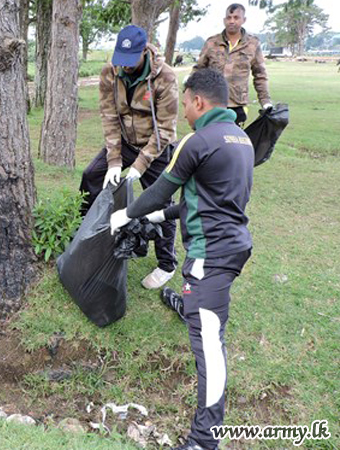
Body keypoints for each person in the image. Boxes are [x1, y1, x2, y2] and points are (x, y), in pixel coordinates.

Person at [110, 68, 254, 450]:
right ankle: (191, 306)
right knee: (203, 315)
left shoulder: (197, 140)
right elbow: (208, 201)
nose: (185, 112)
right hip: (234, 244)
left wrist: (128, 214)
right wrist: (160, 217)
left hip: (211, 255)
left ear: (199, 101)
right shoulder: (240, 139)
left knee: (209, 344)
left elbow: (159, 190)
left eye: (187, 103)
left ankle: (205, 441)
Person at [79, 25, 180, 289]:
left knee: (161, 203)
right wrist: (114, 160)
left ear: (144, 51)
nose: (123, 66)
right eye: (119, 60)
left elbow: (166, 129)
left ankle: (166, 264)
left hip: (155, 148)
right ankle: (86, 232)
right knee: (91, 175)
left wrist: (140, 165)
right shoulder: (109, 72)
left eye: (129, 60)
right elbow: (109, 118)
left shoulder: (165, 77)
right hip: (124, 142)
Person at [193, 3, 272, 126]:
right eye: (229, 18)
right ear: (224, 20)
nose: (232, 21)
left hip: (237, 105)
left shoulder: (253, 44)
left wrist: (265, 101)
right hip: (212, 103)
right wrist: (192, 95)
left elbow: (260, 75)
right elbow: (198, 71)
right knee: (208, 141)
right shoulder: (212, 43)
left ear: (243, 20)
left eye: (236, 18)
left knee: (232, 142)